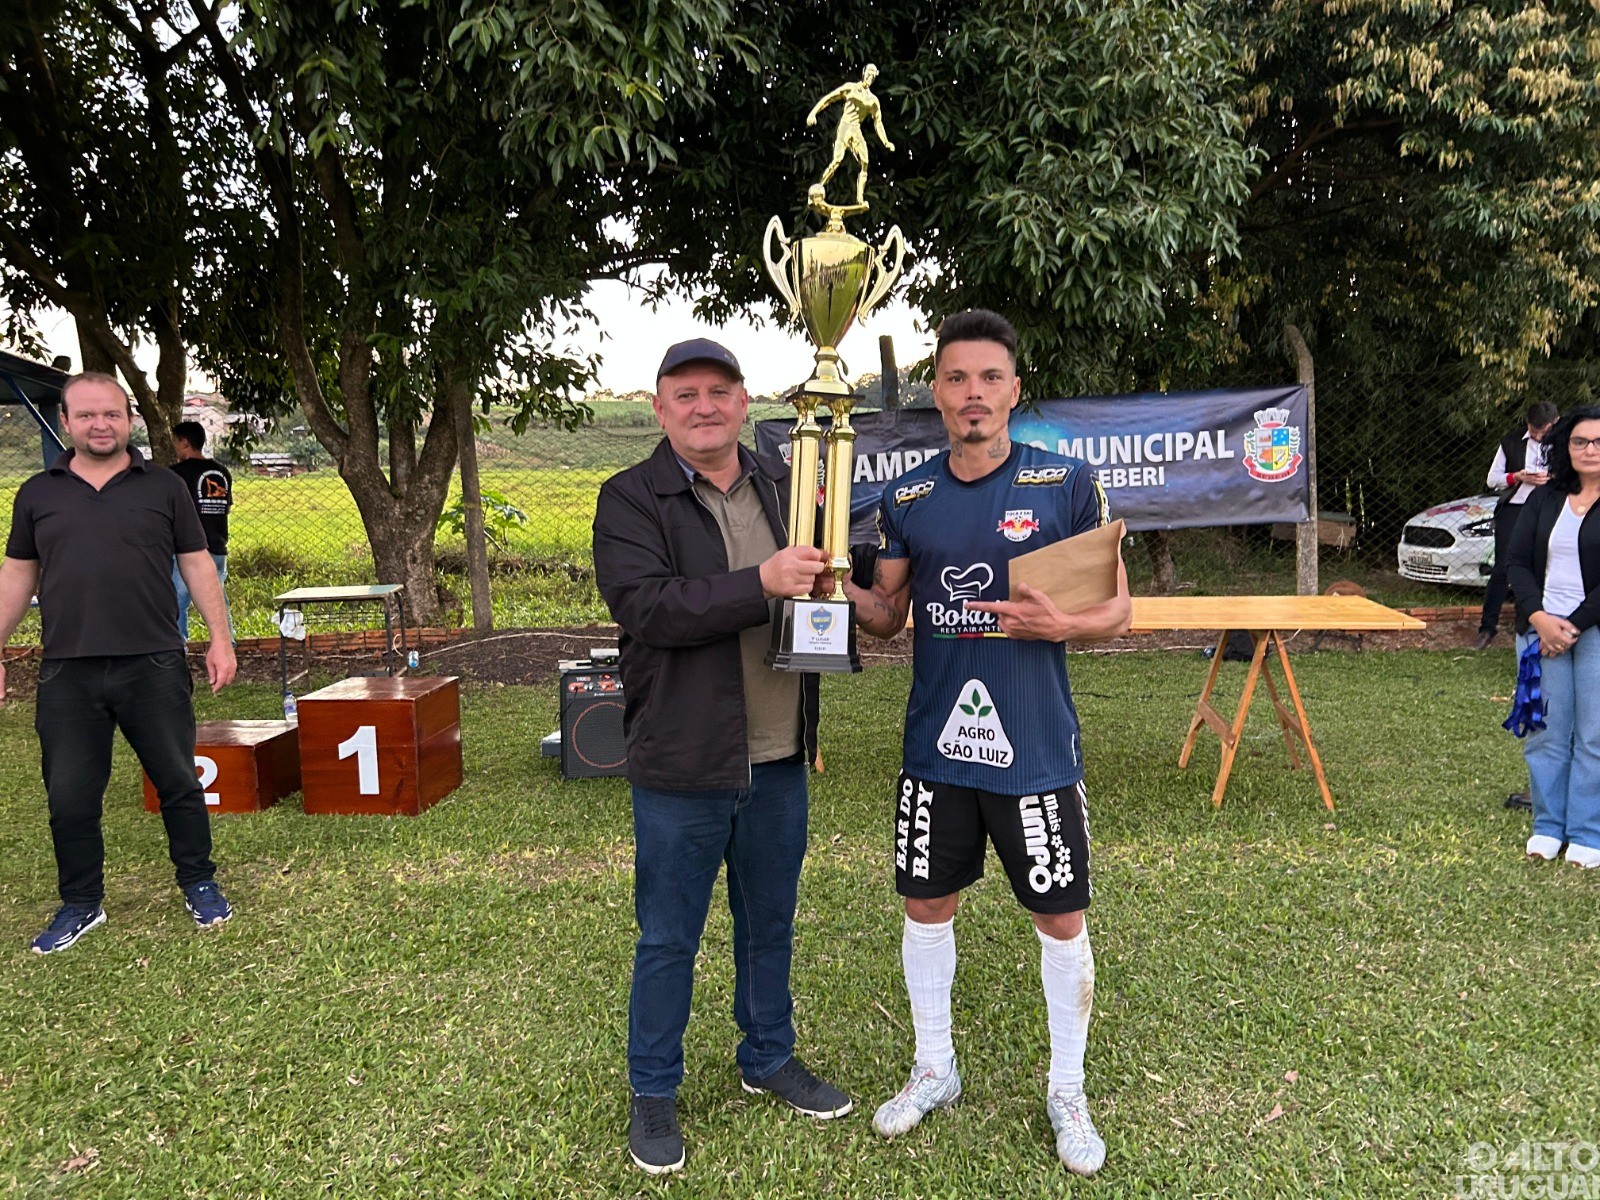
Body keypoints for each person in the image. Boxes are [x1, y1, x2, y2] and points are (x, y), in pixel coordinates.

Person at [843, 310, 1131, 1177]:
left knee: (1059, 915)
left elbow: (1119, 613)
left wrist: (1063, 623)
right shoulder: (907, 497)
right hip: (936, 748)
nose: (974, 394)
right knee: (926, 907)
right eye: (957, 378)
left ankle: (1066, 1089)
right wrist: (830, 583)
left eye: (990, 378)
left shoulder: (1067, 485)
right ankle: (935, 1068)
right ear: (937, 390)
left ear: (1014, 389)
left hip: (1036, 749)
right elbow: (890, 619)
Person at [591, 338, 851, 1176]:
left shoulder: (787, 485)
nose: (704, 406)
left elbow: (831, 572)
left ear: (745, 404)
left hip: (778, 754)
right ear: (659, 409)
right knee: (669, 936)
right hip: (684, 760)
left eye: (720, 391)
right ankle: (653, 1090)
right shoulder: (630, 498)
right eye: (685, 394)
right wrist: (762, 583)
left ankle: (767, 1055)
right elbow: (648, 608)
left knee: (769, 923)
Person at [0, 373, 238, 954]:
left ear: (128, 418)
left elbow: (198, 563)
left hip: (152, 662)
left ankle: (199, 882)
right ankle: (81, 903)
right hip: (67, 670)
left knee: (179, 780)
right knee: (70, 794)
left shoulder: (163, 487)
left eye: (110, 414)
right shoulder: (38, 493)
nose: (99, 424)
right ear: (66, 422)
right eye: (86, 416)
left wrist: (220, 638)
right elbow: (17, 574)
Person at [1504, 404, 1600, 869]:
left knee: (1594, 736)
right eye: (1580, 441)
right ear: (1565, 446)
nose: (1590, 449)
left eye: (1599, 441)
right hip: (1540, 629)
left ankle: (1586, 832)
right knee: (1545, 733)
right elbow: (1516, 563)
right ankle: (1548, 826)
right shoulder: (1544, 498)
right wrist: (1541, 618)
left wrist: (1573, 623)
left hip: (1594, 629)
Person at [1476, 401, 1560, 649]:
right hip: (1514, 509)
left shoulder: (1565, 443)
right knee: (1503, 567)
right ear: (1527, 424)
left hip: (1548, 508)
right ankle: (1486, 629)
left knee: (1542, 566)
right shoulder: (1510, 442)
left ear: (1554, 424)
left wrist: (1551, 479)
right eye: (1533, 431)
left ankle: (1530, 626)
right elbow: (1493, 479)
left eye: (1542, 432)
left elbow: (1575, 477)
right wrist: (1518, 477)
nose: (1537, 436)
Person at [169, 420, 235, 646]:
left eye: (176, 443)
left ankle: (178, 646)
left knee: (177, 599)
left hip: (188, 549)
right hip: (217, 546)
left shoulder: (176, 475)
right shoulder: (221, 472)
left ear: (185, 443)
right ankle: (228, 643)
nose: (175, 448)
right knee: (217, 599)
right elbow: (225, 507)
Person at [806, 63, 895, 206]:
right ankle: (818, 189)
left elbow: (878, 122)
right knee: (837, 160)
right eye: (868, 73)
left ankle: (859, 198)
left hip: (856, 129)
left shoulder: (872, 100)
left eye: (873, 75)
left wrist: (886, 142)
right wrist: (813, 113)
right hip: (845, 126)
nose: (870, 77)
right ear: (863, 73)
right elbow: (829, 98)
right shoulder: (850, 88)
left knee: (865, 162)